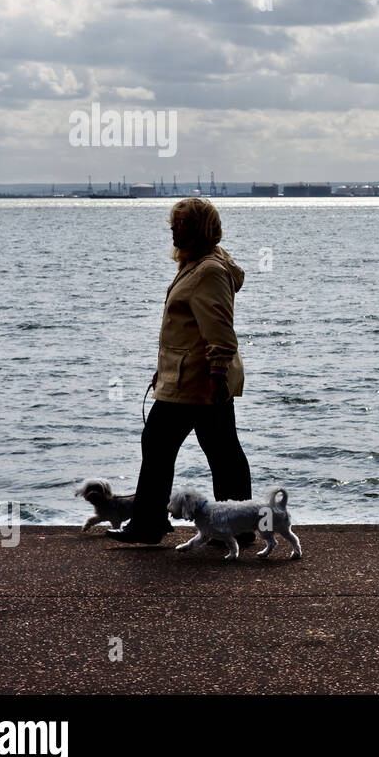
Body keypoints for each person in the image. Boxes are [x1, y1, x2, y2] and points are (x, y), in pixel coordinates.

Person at [107, 197, 253, 546]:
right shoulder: (197, 264)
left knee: (159, 444)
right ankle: (240, 527)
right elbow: (186, 331)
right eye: (173, 225)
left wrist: (217, 375)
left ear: (200, 229)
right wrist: (164, 371)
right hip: (187, 377)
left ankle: (148, 524)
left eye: (182, 225)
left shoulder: (209, 271)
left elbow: (219, 331)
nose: (174, 231)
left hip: (198, 382)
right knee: (222, 451)